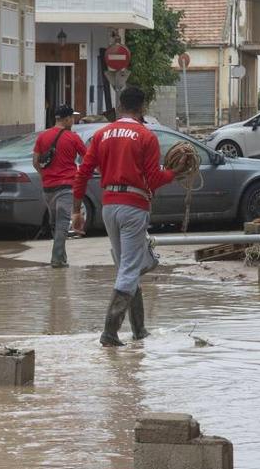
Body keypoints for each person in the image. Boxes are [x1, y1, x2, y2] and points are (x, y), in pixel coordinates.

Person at [71, 86, 185, 347]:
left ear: (120, 106)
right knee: (130, 268)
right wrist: (174, 173)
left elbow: (82, 173)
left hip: (109, 206)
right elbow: (154, 179)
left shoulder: (101, 134)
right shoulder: (146, 135)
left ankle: (139, 330)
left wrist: (77, 211)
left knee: (128, 267)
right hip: (134, 206)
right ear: (142, 108)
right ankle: (109, 332)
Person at [32, 105, 87, 268]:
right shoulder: (73, 138)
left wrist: (45, 176)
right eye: (72, 118)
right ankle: (56, 259)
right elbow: (87, 158)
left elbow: (35, 162)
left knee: (55, 224)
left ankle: (61, 257)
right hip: (66, 186)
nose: (74, 121)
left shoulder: (42, 137)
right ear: (67, 119)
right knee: (62, 224)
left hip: (48, 188)